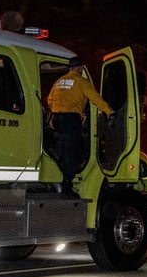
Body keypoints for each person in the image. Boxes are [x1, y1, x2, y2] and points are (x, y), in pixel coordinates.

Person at [46, 56, 114, 194]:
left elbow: (50, 99)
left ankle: (59, 159)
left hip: (57, 118)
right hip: (71, 119)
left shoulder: (59, 81)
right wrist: (109, 111)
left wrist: (57, 111)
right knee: (73, 152)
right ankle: (67, 185)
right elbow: (95, 98)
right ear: (80, 68)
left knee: (64, 147)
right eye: (82, 67)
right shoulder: (82, 82)